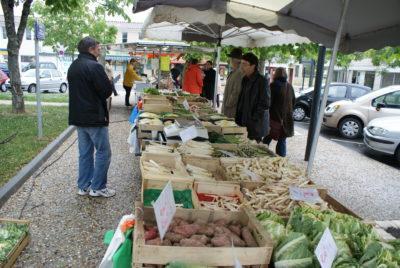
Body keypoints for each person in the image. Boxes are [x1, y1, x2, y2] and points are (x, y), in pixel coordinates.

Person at [67, 36, 115, 198]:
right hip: (94, 117)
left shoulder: (73, 66)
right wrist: (109, 80)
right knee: (103, 152)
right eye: (98, 47)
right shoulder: (94, 67)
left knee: (85, 153)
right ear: (91, 49)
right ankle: (98, 187)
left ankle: (84, 186)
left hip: (79, 117)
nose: (100, 49)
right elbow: (106, 91)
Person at [235, 52, 270, 142]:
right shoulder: (245, 79)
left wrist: (252, 119)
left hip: (255, 126)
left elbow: (265, 103)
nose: (242, 66)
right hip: (243, 121)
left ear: (253, 66)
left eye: (245, 64)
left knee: (252, 151)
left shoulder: (262, 81)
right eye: (241, 63)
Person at [263, 67, 295, 157]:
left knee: (267, 138)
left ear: (275, 74)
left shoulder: (273, 86)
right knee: (282, 140)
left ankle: (261, 155)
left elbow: (268, 102)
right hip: (286, 119)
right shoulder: (289, 86)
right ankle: (280, 160)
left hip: (274, 117)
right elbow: (293, 102)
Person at [221, 48, 244, 118]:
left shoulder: (239, 72)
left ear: (234, 60)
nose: (229, 61)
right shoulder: (235, 71)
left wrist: (228, 104)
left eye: (230, 59)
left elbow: (236, 92)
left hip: (232, 111)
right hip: (229, 109)